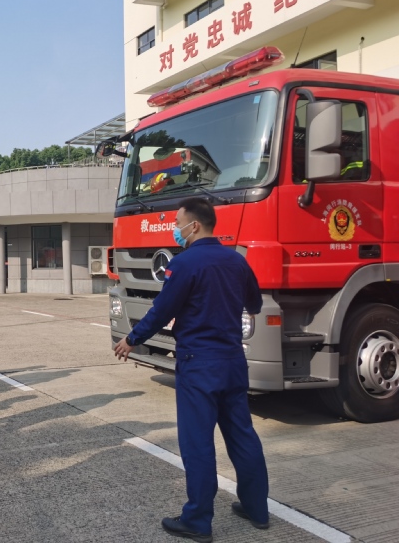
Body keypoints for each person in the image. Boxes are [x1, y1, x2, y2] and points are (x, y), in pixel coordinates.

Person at [113, 198, 269, 543]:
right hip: (232, 361)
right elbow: (254, 304)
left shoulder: (183, 264)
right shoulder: (237, 260)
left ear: (194, 225)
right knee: (242, 435)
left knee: (197, 443)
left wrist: (132, 339)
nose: (175, 228)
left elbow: (162, 310)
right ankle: (257, 508)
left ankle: (197, 520)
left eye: (177, 222)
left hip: (199, 364)